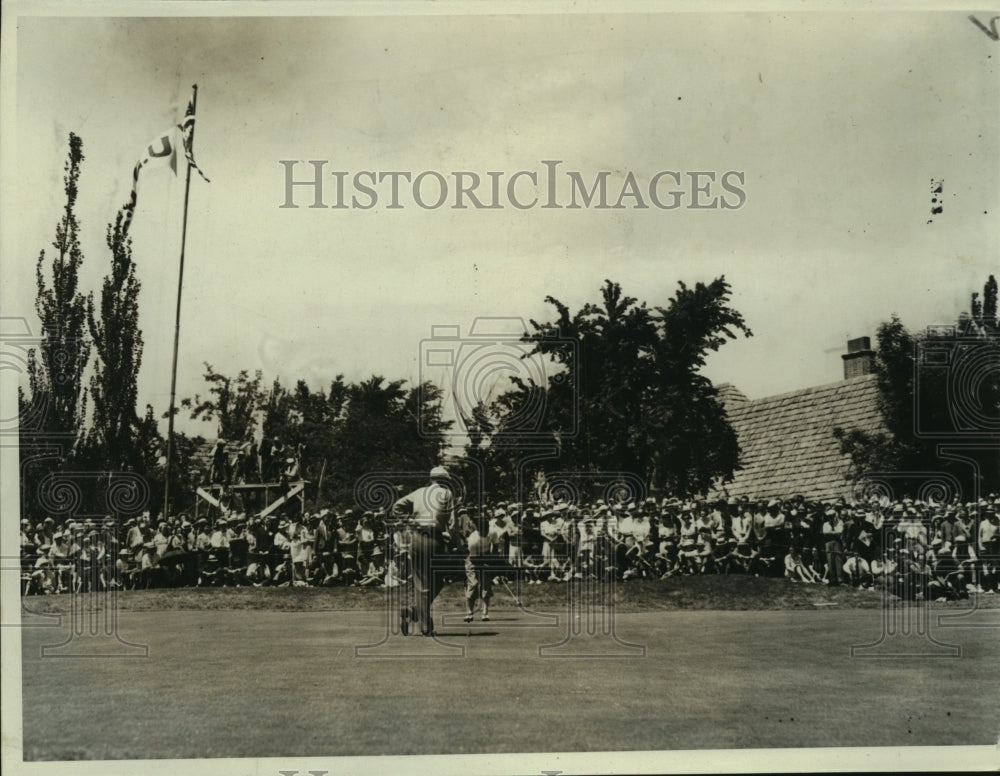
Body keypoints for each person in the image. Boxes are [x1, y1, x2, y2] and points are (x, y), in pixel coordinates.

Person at [391, 466, 462, 636]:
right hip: (435, 538)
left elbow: (397, 507)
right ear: (444, 480)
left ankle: (414, 611)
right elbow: (452, 523)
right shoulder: (446, 493)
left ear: (431, 478)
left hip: (417, 537)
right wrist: (457, 544)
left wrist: (410, 521)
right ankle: (424, 625)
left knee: (423, 581)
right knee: (437, 579)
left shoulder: (419, 492)